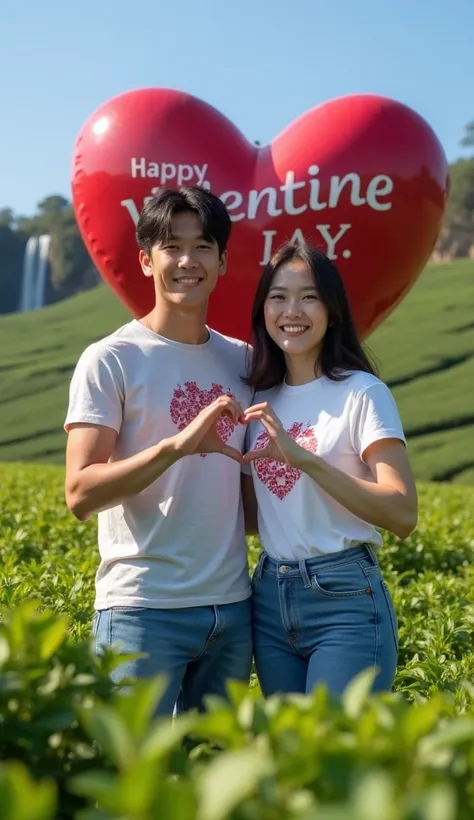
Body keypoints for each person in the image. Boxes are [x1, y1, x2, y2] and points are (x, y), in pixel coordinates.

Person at [64, 186, 254, 716]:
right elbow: (79, 493)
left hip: (232, 612)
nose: (187, 261)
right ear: (147, 261)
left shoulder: (245, 363)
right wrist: (176, 446)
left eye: (203, 247)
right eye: (171, 246)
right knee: (131, 784)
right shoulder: (111, 360)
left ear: (222, 261)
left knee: (218, 783)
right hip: (142, 610)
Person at [240, 241, 418, 698]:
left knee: (335, 752)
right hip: (269, 596)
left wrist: (305, 460)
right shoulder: (258, 399)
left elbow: (402, 513)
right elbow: (257, 515)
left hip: (343, 598)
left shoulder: (362, 394)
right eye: (277, 296)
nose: (291, 310)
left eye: (309, 296)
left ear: (333, 311)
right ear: (263, 309)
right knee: (292, 758)